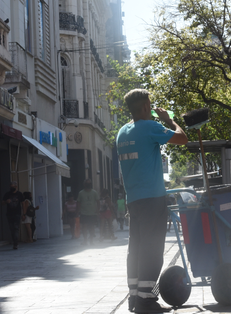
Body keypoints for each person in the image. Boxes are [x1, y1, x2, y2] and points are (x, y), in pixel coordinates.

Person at [116, 89, 188, 313]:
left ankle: (135, 298)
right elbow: (182, 139)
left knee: (136, 249)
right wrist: (169, 120)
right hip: (152, 199)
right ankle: (146, 300)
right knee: (153, 250)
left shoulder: (122, 133)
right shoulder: (150, 127)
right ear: (146, 107)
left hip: (133, 201)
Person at [76, 179, 99, 246]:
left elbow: (98, 201)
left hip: (92, 213)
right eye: (87, 184)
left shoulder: (94, 192)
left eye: (89, 183)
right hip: (84, 213)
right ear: (84, 185)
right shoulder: (81, 193)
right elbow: (78, 203)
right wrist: (77, 211)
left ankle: (91, 241)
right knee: (84, 227)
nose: (88, 185)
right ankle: (85, 240)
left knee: (92, 227)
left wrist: (98, 210)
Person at [2, 181, 24, 249]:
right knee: (12, 229)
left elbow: (23, 203)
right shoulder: (7, 194)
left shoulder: (19, 194)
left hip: (17, 213)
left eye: (13, 187)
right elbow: (2, 202)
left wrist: (24, 213)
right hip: (9, 214)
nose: (12, 188)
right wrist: (6, 202)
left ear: (16, 187)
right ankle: (14, 241)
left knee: (16, 228)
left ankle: (16, 243)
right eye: (11, 186)